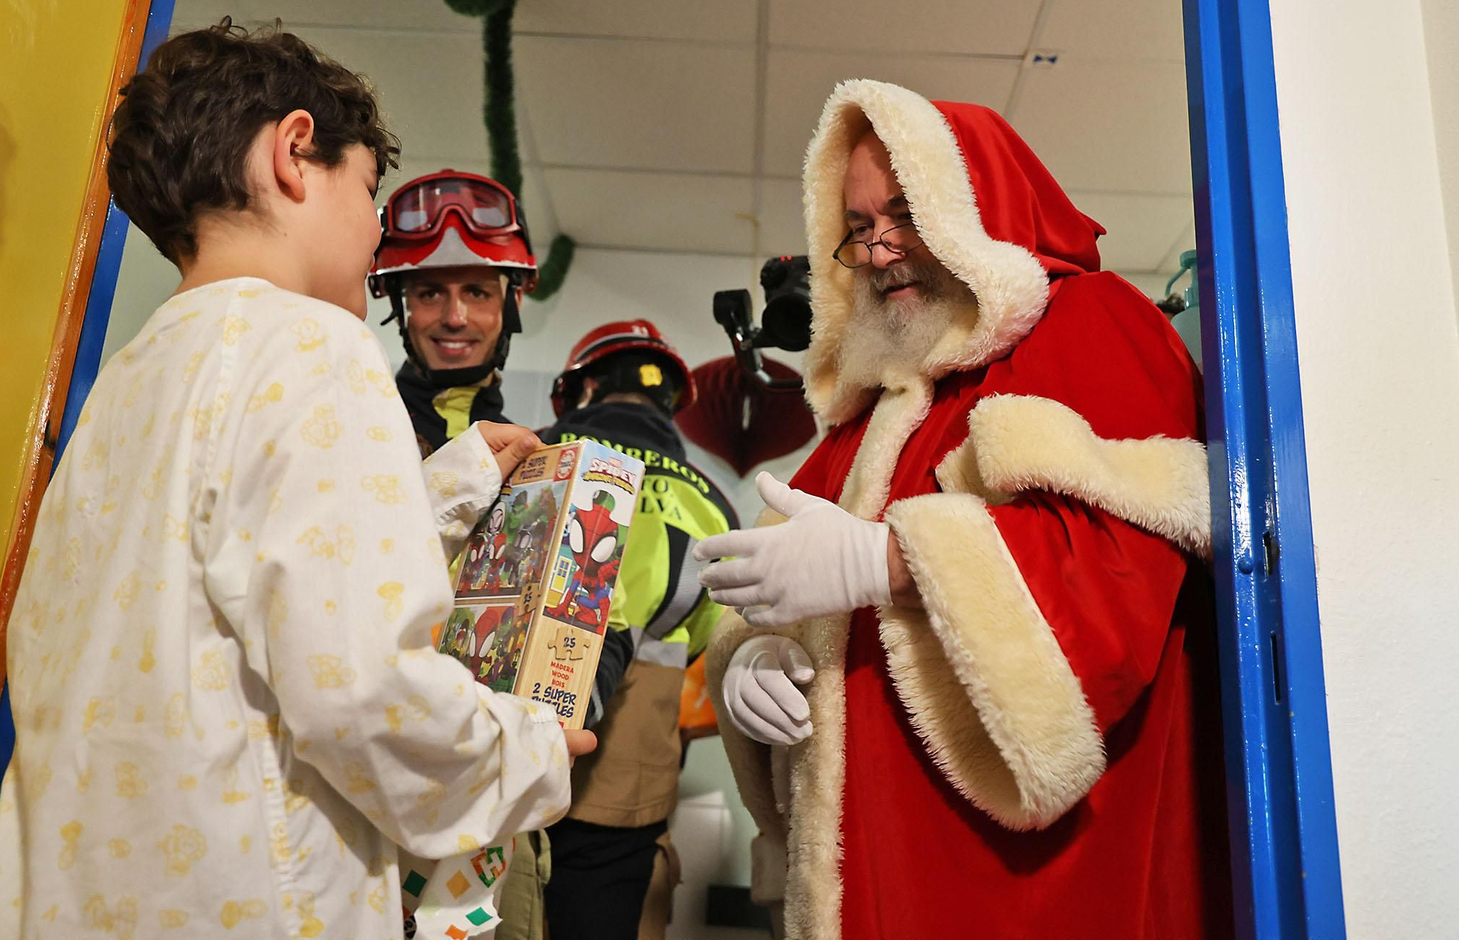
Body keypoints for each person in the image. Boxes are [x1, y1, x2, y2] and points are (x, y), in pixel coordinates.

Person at [0, 22, 592, 940]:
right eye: (370, 191)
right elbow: (362, 690)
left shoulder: (134, 375)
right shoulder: (316, 344)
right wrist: (531, 752)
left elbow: (219, 583)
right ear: (296, 152)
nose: (377, 232)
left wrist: (443, 490)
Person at [695, 81, 1229, 939]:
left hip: (1031, 880)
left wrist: (887, 561)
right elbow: (779, 580)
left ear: (971, 204)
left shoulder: (1091, 325)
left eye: (904, 212)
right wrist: (756, 657)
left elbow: (1117, 573)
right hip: (871, 869)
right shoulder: (866, 413)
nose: (879, 250)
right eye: (860, 227)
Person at [535, 321, 739, 940]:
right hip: (627, 782)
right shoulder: (713, 501)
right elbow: (709, 636)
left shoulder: (533, 455)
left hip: (501, 757)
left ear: (586, 385)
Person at [370, 169, 537, 455]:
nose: (454, 319)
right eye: (430, 294)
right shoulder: (354, 432)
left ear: (514, 301)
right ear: (399, 306)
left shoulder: (528, 461)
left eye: (476, 293)